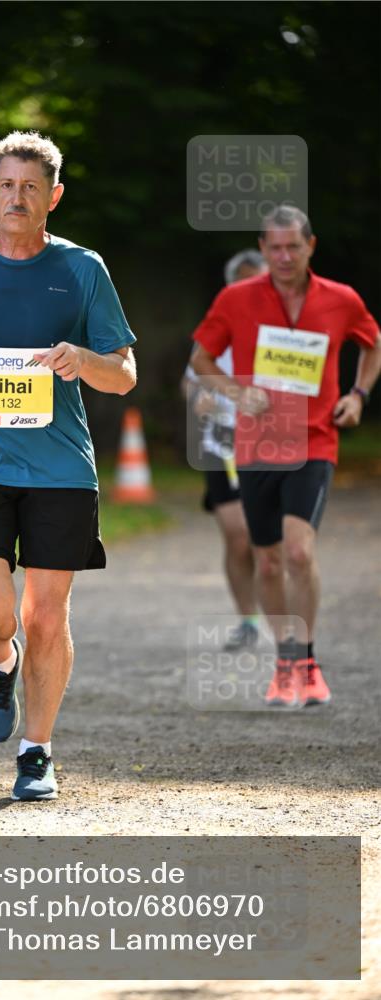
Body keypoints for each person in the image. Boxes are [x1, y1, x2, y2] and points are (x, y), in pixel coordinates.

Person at [0, 131, 136, 801]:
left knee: (45, 614)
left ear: (54, 197)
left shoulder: (81, 269)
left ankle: (36, 750)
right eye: (6, 185)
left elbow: (123, 375)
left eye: (31, 187)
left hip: (58, 469)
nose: (17, 197)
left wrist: (84, 360)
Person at [191, 206, 381, 708]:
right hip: (256, 445)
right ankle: (284, 662)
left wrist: (358, 395)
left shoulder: (341, 300)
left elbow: (373, 342)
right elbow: (200, 358)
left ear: (310, 246)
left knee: (299, 551)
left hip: (315, 440)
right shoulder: (236, 299)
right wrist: (236, 392)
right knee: (269, 561)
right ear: (263, 246)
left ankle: (308, 659)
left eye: (293, 247)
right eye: (274, 247)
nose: (283, 256)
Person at [182, 250, 268, 650]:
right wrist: (199, 396)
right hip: (224, 445)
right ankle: (249, 619)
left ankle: (284, 618)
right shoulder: (217, 328)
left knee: (270, 540)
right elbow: (191, 380)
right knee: (239, 536)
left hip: (271, 444)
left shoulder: (281, 332)